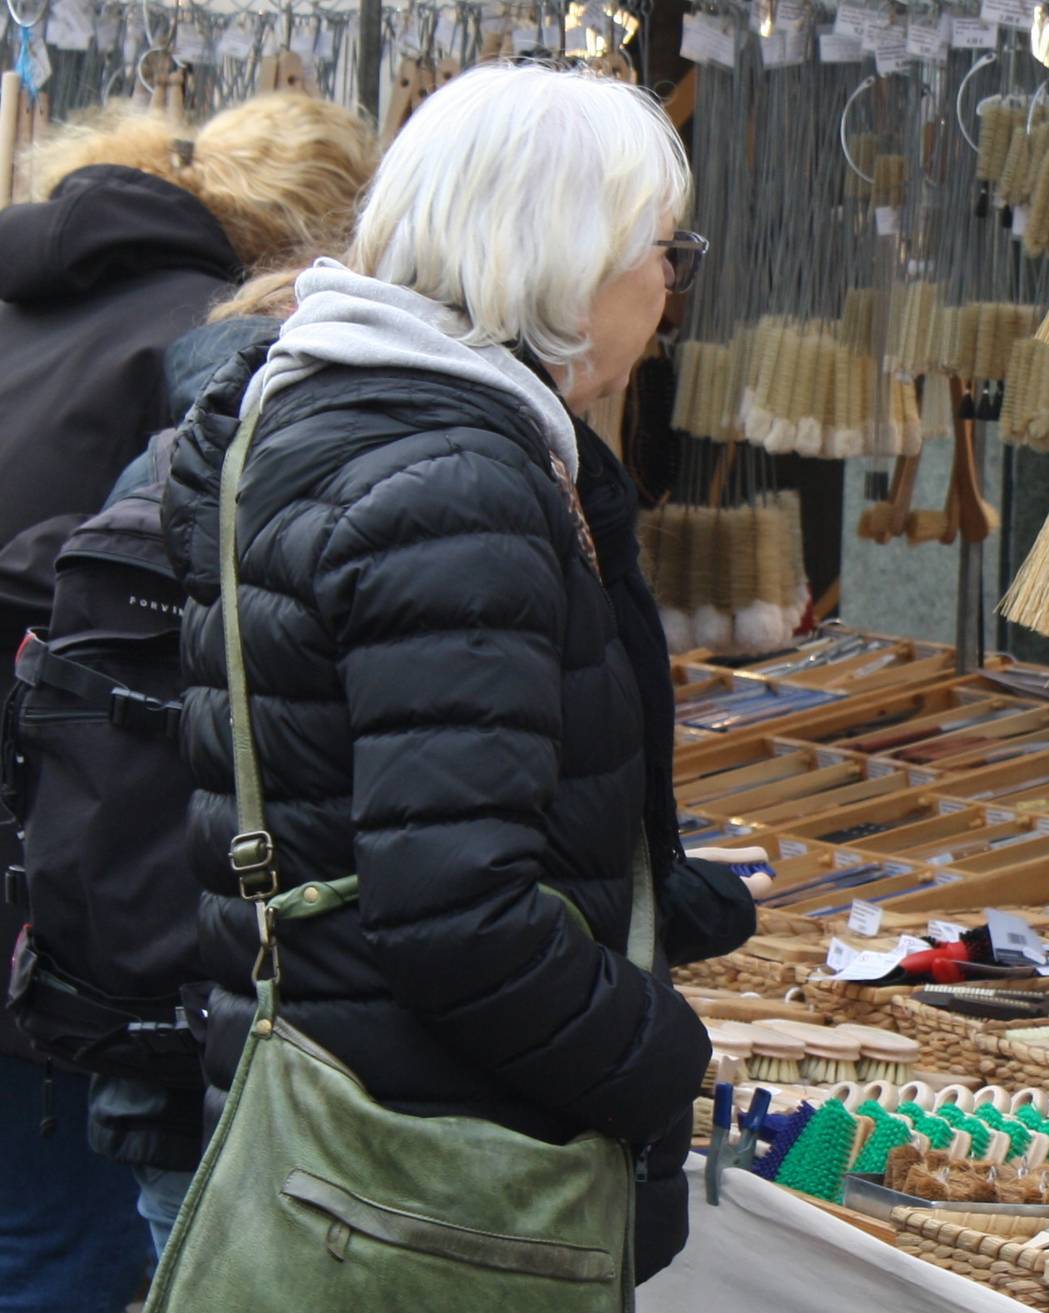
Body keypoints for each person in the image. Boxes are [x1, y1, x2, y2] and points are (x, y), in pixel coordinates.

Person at [161, 64, 712, 1282]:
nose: (670, 290)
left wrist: (658, 893)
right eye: (664, 251)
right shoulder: (456, 484)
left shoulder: (318, 419)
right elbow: (457, 913)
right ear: (566, 256)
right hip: (434, 1165)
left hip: (346, 1118)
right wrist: (663, 1052)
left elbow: (383, 796)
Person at [0, 96, 372, 1313]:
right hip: (55, 868)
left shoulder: (23, 305)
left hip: (35, 833)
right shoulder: (207, 355)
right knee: (65, 1234)